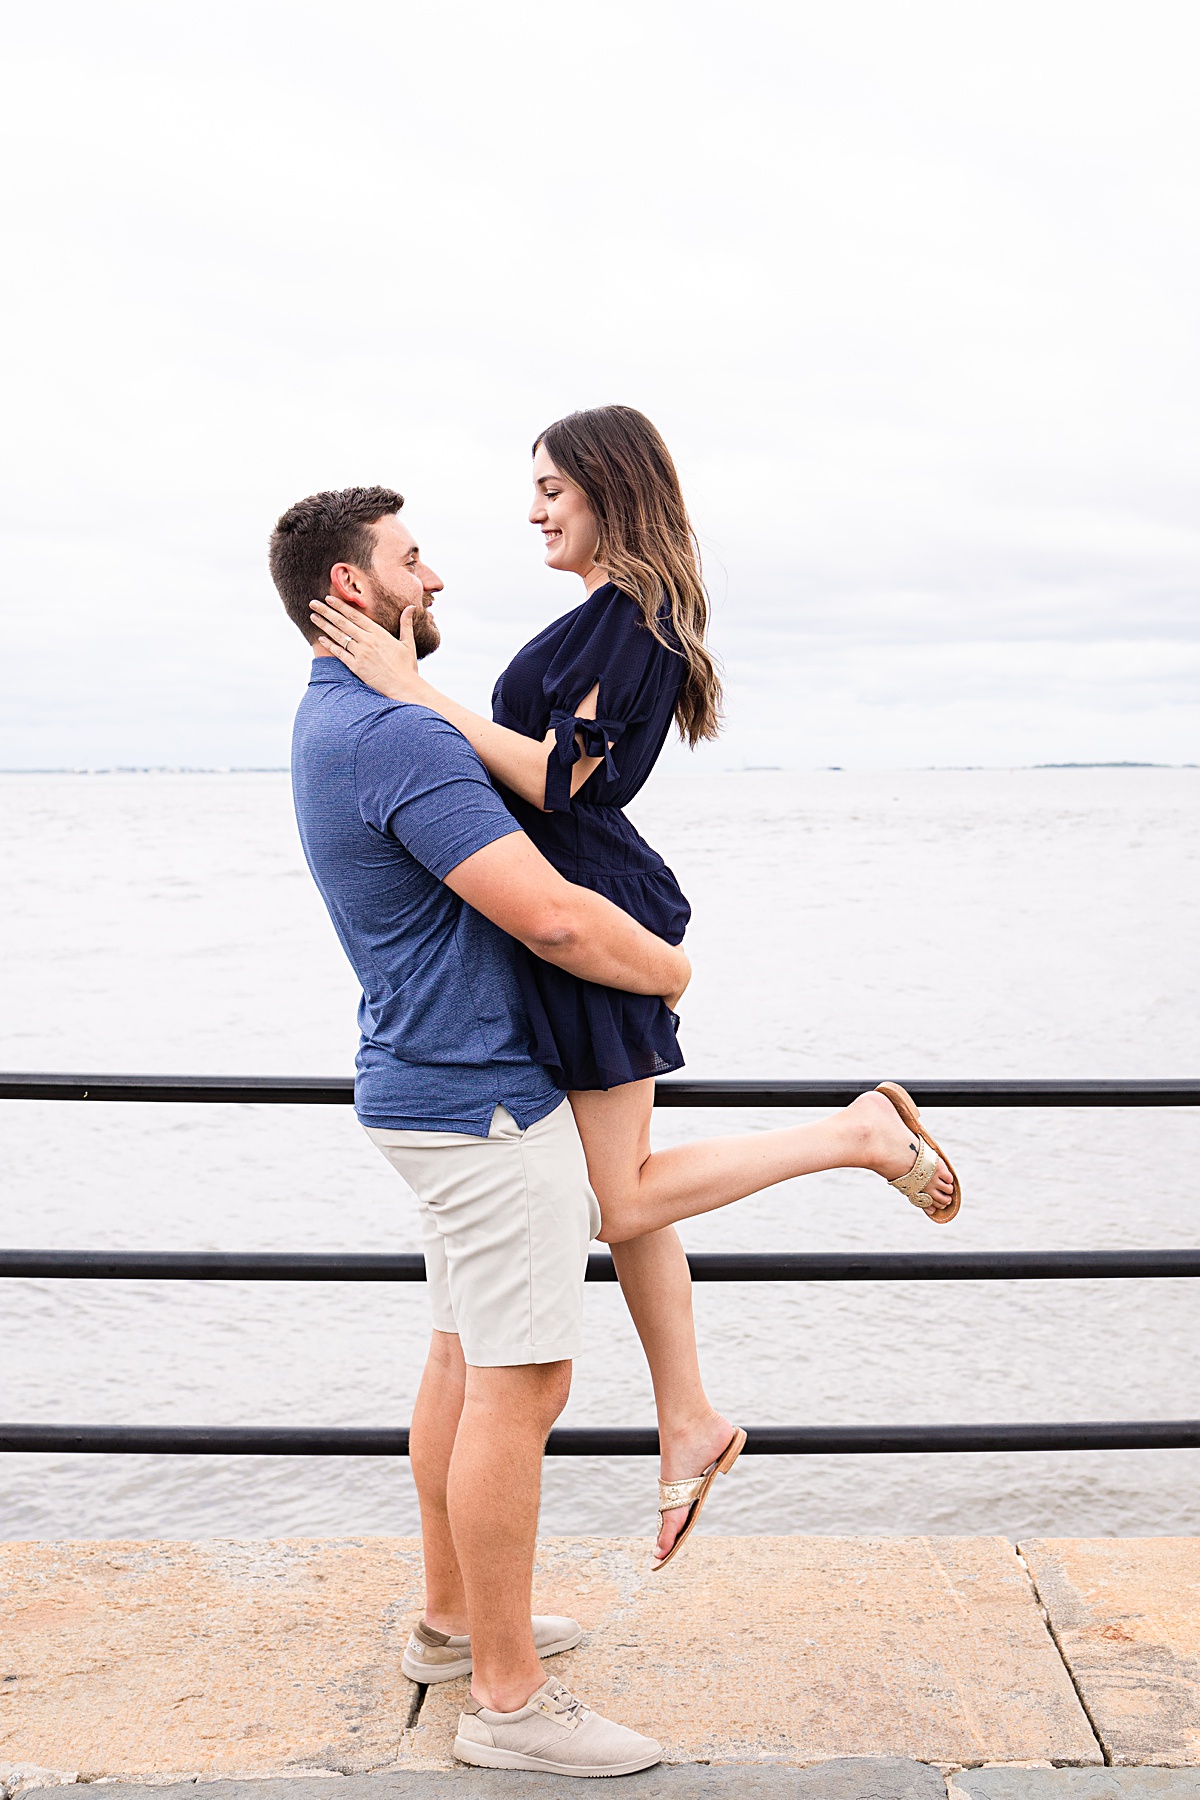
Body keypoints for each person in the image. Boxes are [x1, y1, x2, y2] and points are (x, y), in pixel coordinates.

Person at [307, 407, 961, 1576]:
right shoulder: (605, 620)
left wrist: (418, 696)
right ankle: (689, 1418)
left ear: (612, 488)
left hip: (593, 921)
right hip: (568, 922)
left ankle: (859, 1137)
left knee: (618, 1200)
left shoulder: (638, 627)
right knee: (629, 1195)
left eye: (553, 487)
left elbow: (566, 780)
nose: (534, 509)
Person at [273, 484, 681, 1776]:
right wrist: (668, 973)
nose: (434, 577)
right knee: (525, 1385)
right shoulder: (394, 737)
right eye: (410, 559)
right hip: (483, 1098)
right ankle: (509, 1705)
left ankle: (453, 1626)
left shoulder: (341, 717)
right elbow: (549, 915)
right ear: (353, 589)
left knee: (461, 1361)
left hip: (424, 1083)